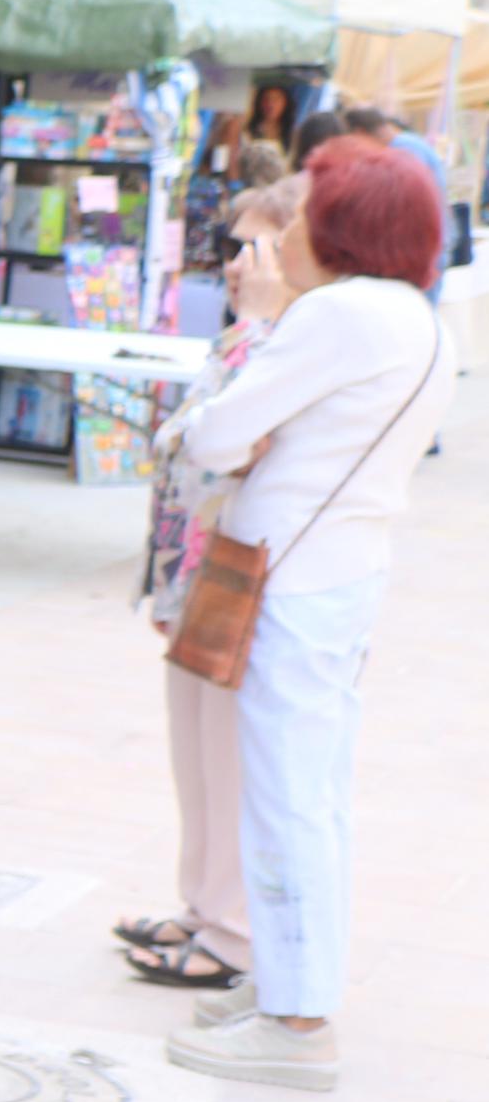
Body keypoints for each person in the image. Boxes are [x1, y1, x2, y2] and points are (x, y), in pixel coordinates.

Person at [164, 143, 455, 1090]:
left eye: (297, 217)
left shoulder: (333, 315)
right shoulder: (413, 316)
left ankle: (294, 1019)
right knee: (309, 794)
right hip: (339, 575)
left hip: (284, 577)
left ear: (340, 231)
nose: (280, 234)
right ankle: (288, 986)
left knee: (285, 796)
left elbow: (213, 435)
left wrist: (235, 377)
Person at [119, 176, 304, 999]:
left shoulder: (281, 343)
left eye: (255, 248)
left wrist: (257, 327)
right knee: (192, 751)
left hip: (238, 575)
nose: (236, 265)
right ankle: (201, 907)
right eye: (232, 247)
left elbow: (218, 440)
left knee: (225, 758)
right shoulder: (247, 336)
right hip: (196, 575)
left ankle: (231, 932)